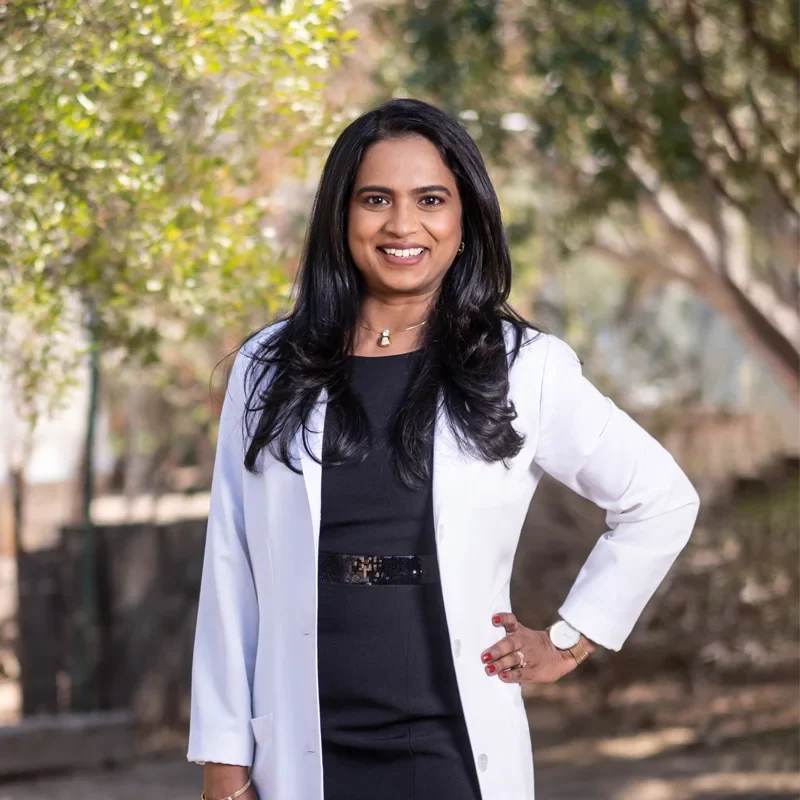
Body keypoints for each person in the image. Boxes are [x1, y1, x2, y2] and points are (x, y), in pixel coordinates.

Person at [187, 97, 700, 800]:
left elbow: (660, 500)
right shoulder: (269, 367)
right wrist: (223, 763)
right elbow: (230, 565)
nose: (403, 225)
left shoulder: (522, 366)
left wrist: (571, 638)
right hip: (303, 747)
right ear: (341, 216)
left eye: (430, 199)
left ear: (466, 219)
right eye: (376, 199)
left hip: (452, 749)